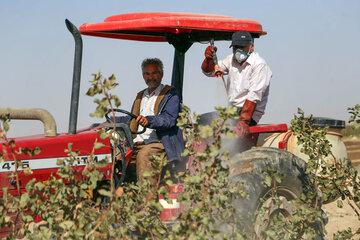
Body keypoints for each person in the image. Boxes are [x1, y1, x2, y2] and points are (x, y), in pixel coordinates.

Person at [116, 58, 185, 187]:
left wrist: (149, 120)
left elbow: (169, 119)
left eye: (154, 73)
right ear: (143, 76)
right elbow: (132, 119)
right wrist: (112, 120)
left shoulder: (170, 94)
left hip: (160, 143)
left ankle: (148, 203)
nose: (150, 77)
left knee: (144, 155)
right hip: (136, 143)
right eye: (147, 74)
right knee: (112, 155)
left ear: (161, 74)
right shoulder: (140, 96)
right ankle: (113, 199)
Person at [201, 31, 272, 136]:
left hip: (248, 114)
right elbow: (210, 72)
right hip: (232, 112)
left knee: (213, 126)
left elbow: (254, 95)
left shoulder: (259, 65)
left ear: (251, 47)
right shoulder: (231, 59)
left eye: (242, 47)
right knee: (202, 121)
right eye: (235, 47)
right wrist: (208, 59)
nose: (238, 51)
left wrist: (244, 121)